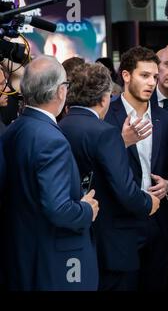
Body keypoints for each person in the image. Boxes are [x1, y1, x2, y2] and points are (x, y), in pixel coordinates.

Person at [0, 56, 99, 290]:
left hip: (22, 254)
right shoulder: (50, 139)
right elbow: (58, 208)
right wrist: (86, 210)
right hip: (55, 263)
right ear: (60, 92)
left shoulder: (14, 129)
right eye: (65, 85)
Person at [59, 63, 160, 291]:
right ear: (105, 98)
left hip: (76, 235)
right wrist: (148, 203)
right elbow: (124, 189)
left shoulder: (61, 125)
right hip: (112, 240)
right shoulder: (105, 132)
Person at [105, 46, 168, 291]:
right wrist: (121, 142)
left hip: (159, 221)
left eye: (154, 77)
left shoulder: (166, 119)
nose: (151, 82)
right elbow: (98, 168)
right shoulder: (106, 117)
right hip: (121, 221)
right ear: (126, 76)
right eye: (144, 75)